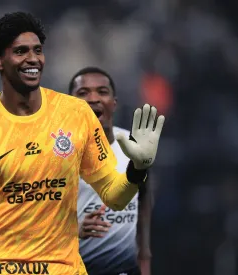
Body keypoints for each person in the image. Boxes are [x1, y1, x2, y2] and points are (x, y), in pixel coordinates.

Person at [0, 12, 165, 275]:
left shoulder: (77, 116)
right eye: (21, 51)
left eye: (37, 50)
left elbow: (115, 196)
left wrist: (137, 169)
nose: (33, 58)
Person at [68, 67, 153, 275]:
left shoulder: (133, 146)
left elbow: (144, 203)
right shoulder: (57, 153)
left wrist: (144, 255)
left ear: (114, 103)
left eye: (102, 92)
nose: (93, 98)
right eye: (83, 93)